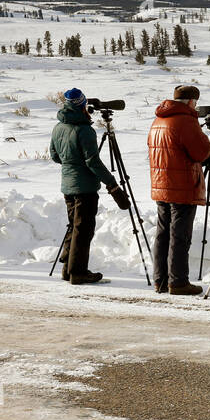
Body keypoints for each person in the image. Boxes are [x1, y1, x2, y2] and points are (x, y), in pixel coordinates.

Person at [49, 88, 130, 286]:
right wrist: (112, 185)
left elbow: (54, 155)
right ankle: (78, 272)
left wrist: (71, 165)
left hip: (67, 185)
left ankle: (68, 268)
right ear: (82, 105)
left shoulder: (58, 127)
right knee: (83, 229)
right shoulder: (85, 130)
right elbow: (93, 162)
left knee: (74, 226)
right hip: (84, 188)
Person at [147, 85, 210, 295]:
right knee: (180, 235)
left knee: (163, 233)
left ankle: (160, 280)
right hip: (182, 186)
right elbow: (202, 152)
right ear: (192, 102)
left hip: (161, 184)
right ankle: (178, 282)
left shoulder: (158, 120)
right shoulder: (185, 121)